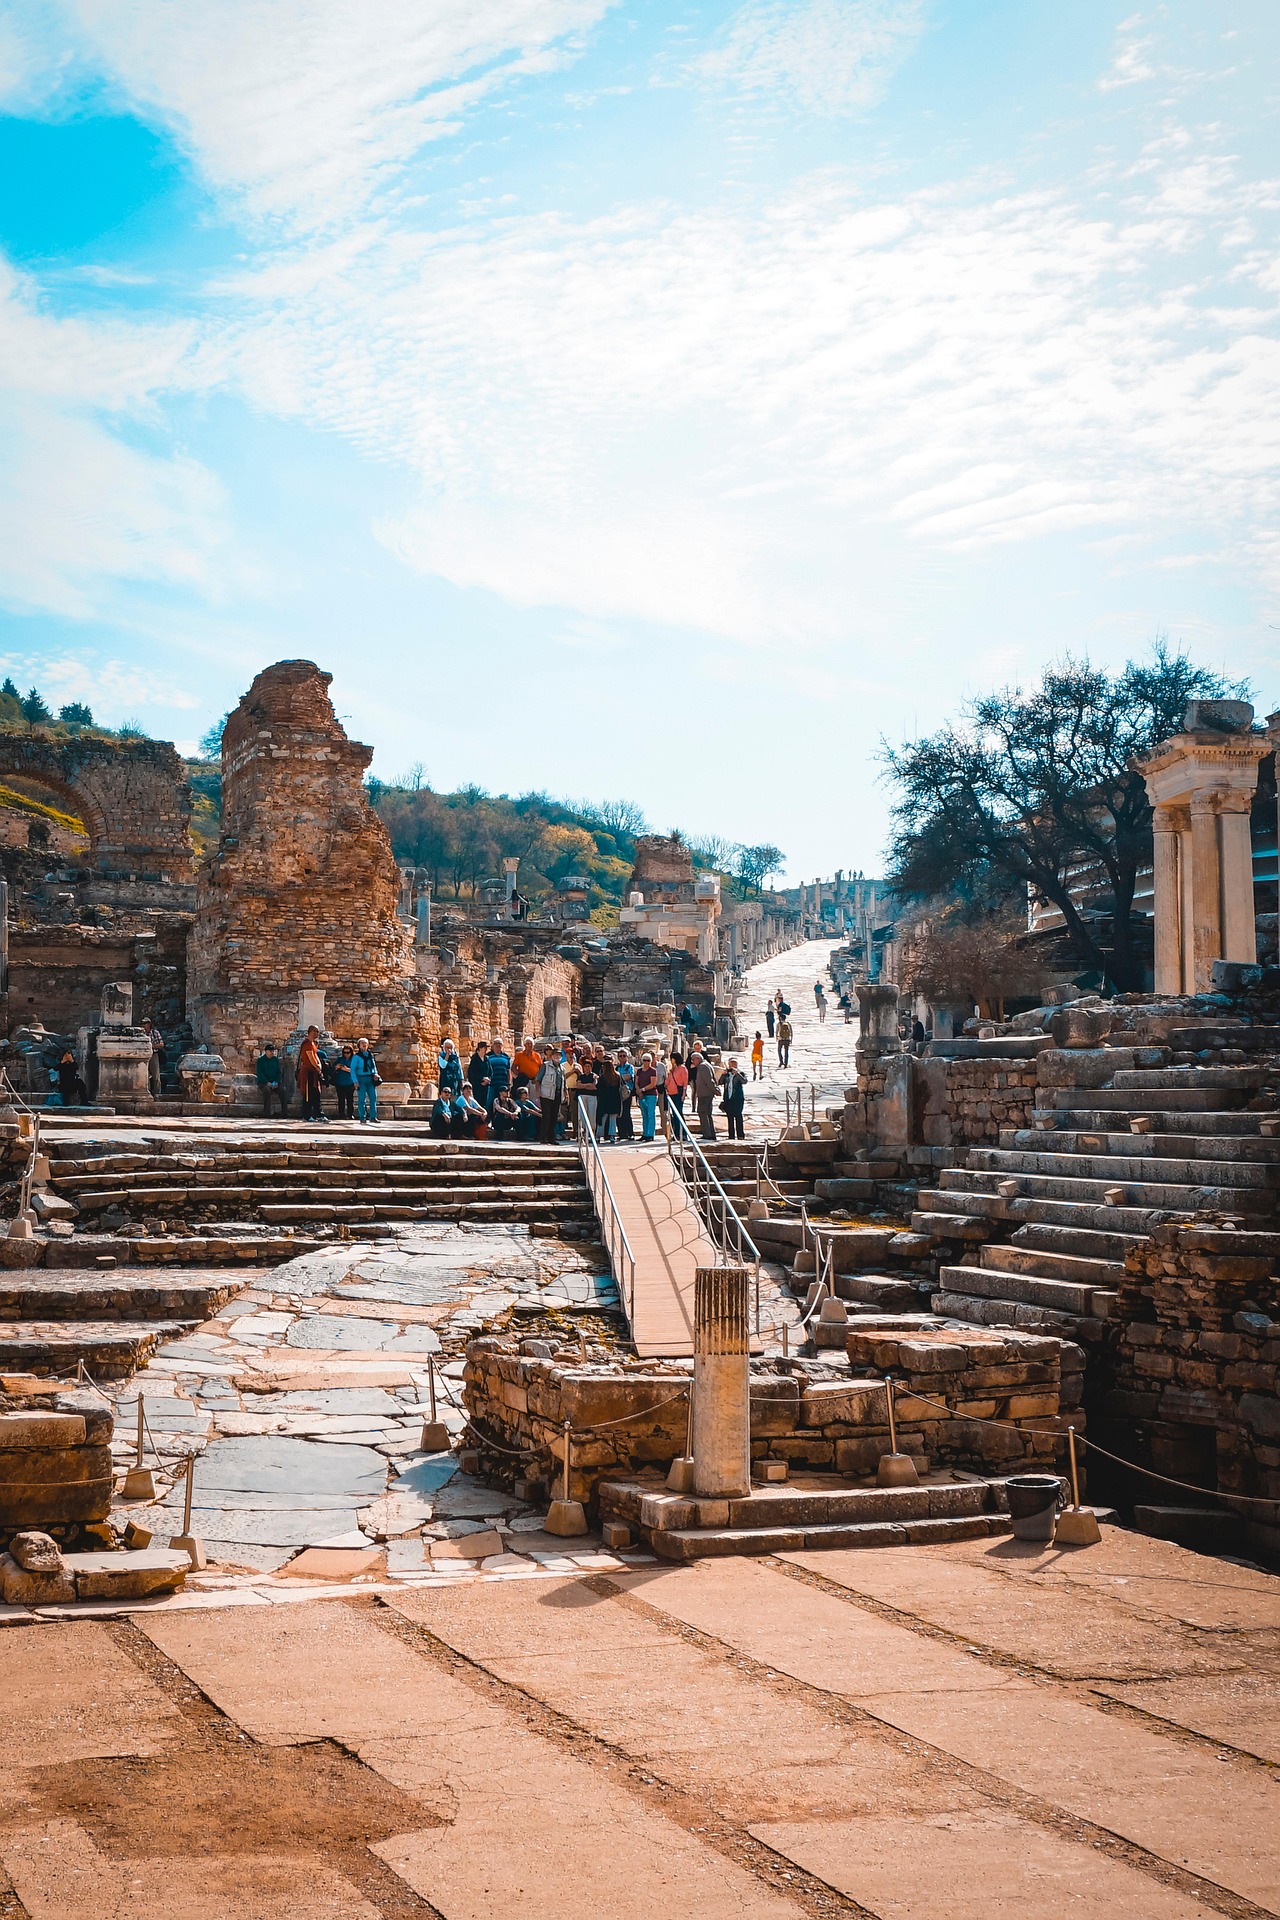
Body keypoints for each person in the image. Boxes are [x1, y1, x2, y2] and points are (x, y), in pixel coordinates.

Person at [296, 1025, 326, 1123]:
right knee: (308, 1094)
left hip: (314, 1072)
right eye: (317, 1031)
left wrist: (319, 1066)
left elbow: (315, 1056)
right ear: (312, 1031)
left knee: (316, 1093)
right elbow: (311, 1057)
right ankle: (307, 1115)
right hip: (308, 1072)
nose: (318, 1033)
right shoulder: (307, 1044)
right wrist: (317, 1067)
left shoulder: (313, 1043)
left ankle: (319, 1114)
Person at [535, 1048, 564, 1143]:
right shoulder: (546, 1065)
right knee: (546, 1116)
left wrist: (566, 1093)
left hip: (557, 1094)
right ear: (552, 1056)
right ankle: (543, 1137)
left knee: (554, 1117)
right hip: (546, 1094)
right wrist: (538, 1092)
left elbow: (563, 1082)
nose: (557, 1057)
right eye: (555, 1055)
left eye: (559, 1055)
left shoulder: (562, 1068)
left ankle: (552, 1138)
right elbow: (538, 1079)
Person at [690, 1049, 718, 1141]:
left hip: (705, 1094)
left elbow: (709, 1081)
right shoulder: (704, 1065)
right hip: (705, 1093)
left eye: (693, 1059)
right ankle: (710, 1133)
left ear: (698, 1059)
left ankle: (707, 1134)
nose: (692, 1062)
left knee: (703, 1113)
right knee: (707, 1114)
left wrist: (715, 1090)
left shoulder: (703, 1066)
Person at [351, 1037, 380, 1123]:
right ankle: (362, 1117)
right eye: (362, 1043)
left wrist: (375, 1073)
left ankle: (373, 1117)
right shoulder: (356, 1057)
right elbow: (353, 1070)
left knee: (373, 1097)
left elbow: (373, 1066)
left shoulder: (370, 1055)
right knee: (362, 1099)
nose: (364, 1045)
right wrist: (355, 1081)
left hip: (370, 1078)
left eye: (365, 1043)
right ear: (359, 1046)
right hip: (361, 1078)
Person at [595, 1053, 622, 1141]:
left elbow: (598, 1088)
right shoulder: (617, 1076)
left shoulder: (603, 1077)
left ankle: (598, 1136)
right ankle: (612, 1136)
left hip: (604, 1100)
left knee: (602, 1119)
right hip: (615, 1100)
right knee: (612, 1120)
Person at [255, 1043, 285, 1118]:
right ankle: (266, 1113)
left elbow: (278, 1072)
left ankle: (284, 1113)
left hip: (274, 1082)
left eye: (273, 1051)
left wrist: (276, 1082)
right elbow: (260, 1073)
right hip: (264, 1082)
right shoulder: (260, 1060)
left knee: (283, 1090)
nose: (272, 1052)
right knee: (266, 1091)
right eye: (270, 1051)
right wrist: (267, 1082)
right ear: (266, 1051)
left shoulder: (275, 1060)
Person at [720, 1056, 747, 1139]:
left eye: (735, 1064)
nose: (733, 1066)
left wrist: (737, 1074)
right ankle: (731, 1135)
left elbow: (744, 1081)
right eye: (731, 1064)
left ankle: (740, 1135)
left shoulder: (740, 1073)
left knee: (738, 1116)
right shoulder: (727, 1074)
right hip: (728, 1098)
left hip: (738, 1099)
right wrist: (723, 1074)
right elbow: (720, 1082)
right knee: (730, 1117)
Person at [635, 1053, 659, 1141]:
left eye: (648, 1060)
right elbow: (636, 1082)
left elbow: (653, 1084)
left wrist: (643, 1089)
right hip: (642, 1095)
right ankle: (645, 1133)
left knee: (650, 1114)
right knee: (644, 1114)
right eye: (644, 1060)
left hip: (651, 1094)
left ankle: (650, 1134)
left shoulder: (653, 1071)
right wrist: (638, 1090)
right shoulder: (639, 1071)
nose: (646, 1062)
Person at [485, 1037, 512, 1111]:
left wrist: (509, 1083)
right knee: (490, 1102)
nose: (498, 1045)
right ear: (492, 1046)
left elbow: (508, 1071)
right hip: (492, 1084)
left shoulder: (506, 1057)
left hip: (503, 1084)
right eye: (496, 1044)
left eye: (499, 1044)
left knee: (503, 1103)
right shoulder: (488, 1057)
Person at [141, 1017, 165, 1096]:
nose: (143, 1025)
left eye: (145, 1023)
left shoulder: (155, 1033)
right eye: (142, 1023)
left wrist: (151, 1046)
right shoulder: (140, 1034)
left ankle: (157, 1093)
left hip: (153, 1055)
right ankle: (147, 1092)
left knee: (156, 1076)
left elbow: (161, 1044)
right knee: (145, 1076)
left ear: (149, 1024)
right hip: (143, 1055)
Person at [332, 1045, 356, 1120]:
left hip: (350, 1082)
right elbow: (333, 1067)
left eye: (348, 1052)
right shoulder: (340, 1059)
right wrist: (337, 1067)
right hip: (340, 1082)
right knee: (341, 1100)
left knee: (350, 1099)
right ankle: (341, 1114)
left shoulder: (354, 1060)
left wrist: (346, 1069)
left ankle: (350, 1114)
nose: (346, 1054)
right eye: (344, 1052)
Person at [616, 1050, 635, 1140]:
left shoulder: (629, 1067)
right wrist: (623, 1077)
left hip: (627, 1092)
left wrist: (619, 1077)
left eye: (624, 1056)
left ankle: (630, 1133)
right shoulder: (617, 1068)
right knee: (619, 1113)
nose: (622, 1057)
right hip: (618, 1093)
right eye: (620, 1056)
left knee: (627, 1113)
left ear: (627, 1057)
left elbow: (630, 1076)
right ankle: (621, 1134)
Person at [466, 1041, 490, 1106]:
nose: (486, 1050)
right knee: (478, 1102)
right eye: (484, 1048)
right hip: (477, 1084)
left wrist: (488, 1079)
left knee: (484, 1102)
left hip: (486, 1084)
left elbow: (490, 1071)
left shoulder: (487, 1059)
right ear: (480, 1048)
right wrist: (482, 1079)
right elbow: (472, 1073)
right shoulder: (475, 1059)